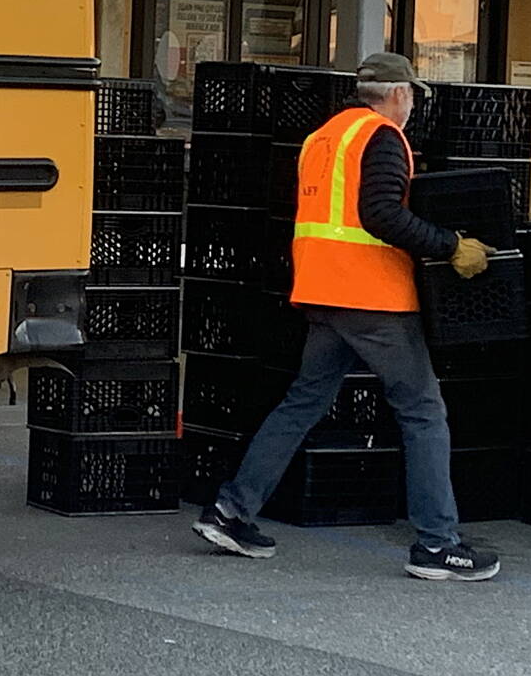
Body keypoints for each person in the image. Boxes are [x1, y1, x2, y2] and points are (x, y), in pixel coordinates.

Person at [192, 52, 502, 581]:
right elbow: (380, 214)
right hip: (373, 298)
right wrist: (450, 245)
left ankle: (230, 511)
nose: (412, 105)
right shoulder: (382, 137)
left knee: (303, 402)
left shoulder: (324, 137)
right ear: (400, 93)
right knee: (423, 412)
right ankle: (436, 544)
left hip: (323, 292)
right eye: (412, 96)